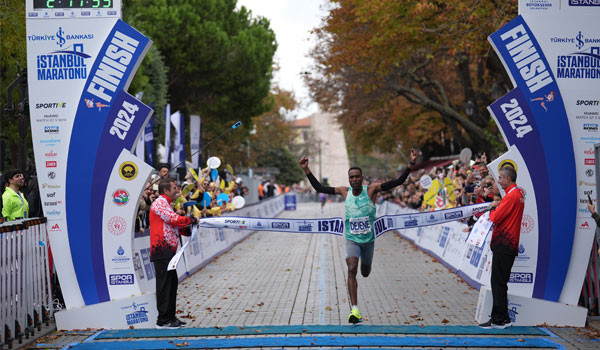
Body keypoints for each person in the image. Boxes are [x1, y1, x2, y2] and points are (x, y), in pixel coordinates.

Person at [298, 148, 419, 323]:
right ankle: (355, 310)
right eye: (351, 177)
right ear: (349, 179)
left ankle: (366, 265)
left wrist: (411, 162)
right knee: (351, 268)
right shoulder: (344, 192)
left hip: (368, 241)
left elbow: (398, 181)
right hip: (352, 239)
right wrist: (306, 169)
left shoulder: (371, 190)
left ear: (361, 178)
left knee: (365, 271)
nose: (354, 179)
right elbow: (319, 188)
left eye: (357, 177)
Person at [479, 166, 525, 329]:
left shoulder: (512, 196)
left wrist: (492, 208)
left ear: (507, 178)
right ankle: (504, 317)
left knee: (498, 282)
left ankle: (498, 319)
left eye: (499, 178)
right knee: (501, 282)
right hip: (508, 244)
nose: (498, 181)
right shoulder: (518, 194)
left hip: (504, 244)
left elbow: (496, 217)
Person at [150, 178, 198, 329]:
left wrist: (187, 225)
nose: (177, 190)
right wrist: (189, 219)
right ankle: (162, 320)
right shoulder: (159, 203)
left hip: (169, 250)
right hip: (161, 249)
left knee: (171, 284)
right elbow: (172, 219)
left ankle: (170, 317)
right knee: (165, 285)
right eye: (174, 187)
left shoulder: (167, 204)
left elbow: (174, 224)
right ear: (166, 191)